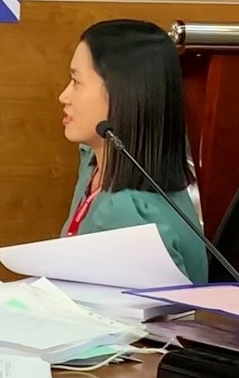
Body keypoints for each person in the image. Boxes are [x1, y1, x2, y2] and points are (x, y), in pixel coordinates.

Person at [57, 18, 209, 283]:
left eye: (76, 81)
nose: (64, 96)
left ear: (122, 94)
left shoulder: (130, 214)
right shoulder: (94, 162)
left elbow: (165, 308)